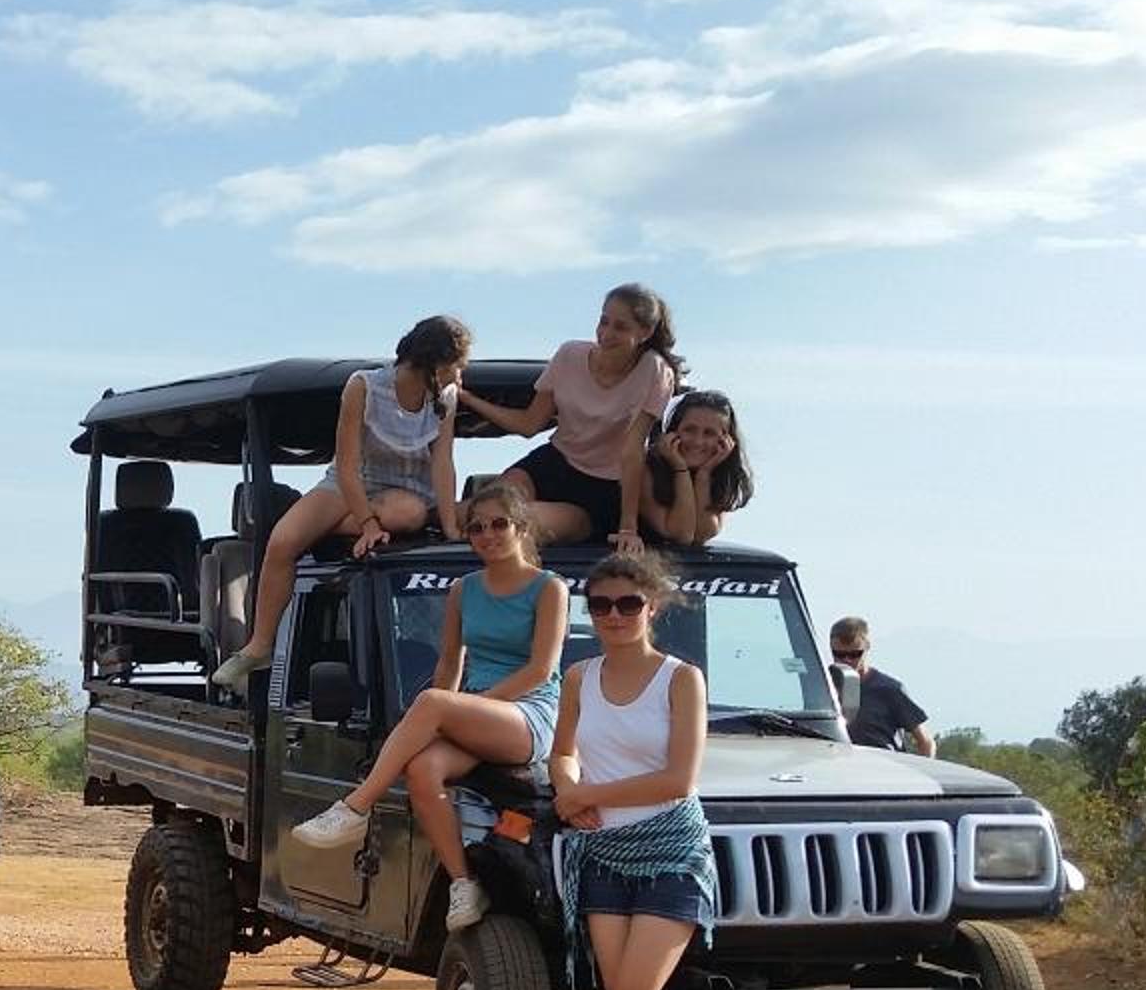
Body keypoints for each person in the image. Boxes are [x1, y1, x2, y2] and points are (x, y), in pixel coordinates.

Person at [522, 548, 714, 990]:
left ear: (651, 607)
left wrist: (585, 796)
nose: (613, 615)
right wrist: (568, 788)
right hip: (602, 855)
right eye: (600, 604)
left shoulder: (681, 680)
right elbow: (563, 752)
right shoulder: (580, 677)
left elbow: (678, 779)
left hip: (670, 855)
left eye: (628, 603)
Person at [292, 482, 566, 932]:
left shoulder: (548, 588)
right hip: (476, 712)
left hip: (529, 713)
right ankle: (463, 883)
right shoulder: (464, 589)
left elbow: (541, 670)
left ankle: (357, 807)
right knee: (422, 769)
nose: (487, 535)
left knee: (433, 703)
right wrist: (448, 713)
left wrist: (457, 708)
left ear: (521, 528)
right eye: (476, 528)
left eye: (499, 524)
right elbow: (450, 662)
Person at [214, 317, 469, 694]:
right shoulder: (363, 386)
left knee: (409, 513)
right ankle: (260, 645)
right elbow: (347, 465)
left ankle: (324, 529)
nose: (461, 375)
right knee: (283, 540)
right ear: (433, 362)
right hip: (351, 482)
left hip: (408, 488)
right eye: (457, 365)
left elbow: (443, 462)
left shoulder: (445, 396)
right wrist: (367, 524)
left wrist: (450, 528)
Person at [458, 283, 681, 548]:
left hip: (600, 489)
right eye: (604, 322)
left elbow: (633, 451)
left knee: (513, 525)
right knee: (476, 514)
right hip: (553, 463)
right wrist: (468, 399)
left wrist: (628, 527)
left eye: (620, 327)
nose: (606, 333)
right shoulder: (569, 355)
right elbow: (529, 424)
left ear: (645, 332)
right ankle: (423, 518)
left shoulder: (656, 371)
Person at [634, 389, 752, 548]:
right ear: (673, 432)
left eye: (709, 433)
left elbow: (702, 533)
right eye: (689, 430)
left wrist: (704, 475)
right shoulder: (645, 468)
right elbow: (680, 534)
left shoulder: (719, 473)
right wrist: (680, 468)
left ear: (725, 441)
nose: (697, 441)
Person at [828, 617, 935, 755]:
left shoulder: (889, 689)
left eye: (854, 654)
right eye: (839, 655)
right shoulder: (823, 687)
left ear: (867, 647)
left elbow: (925, 742)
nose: (847, 660)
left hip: (882, 763)